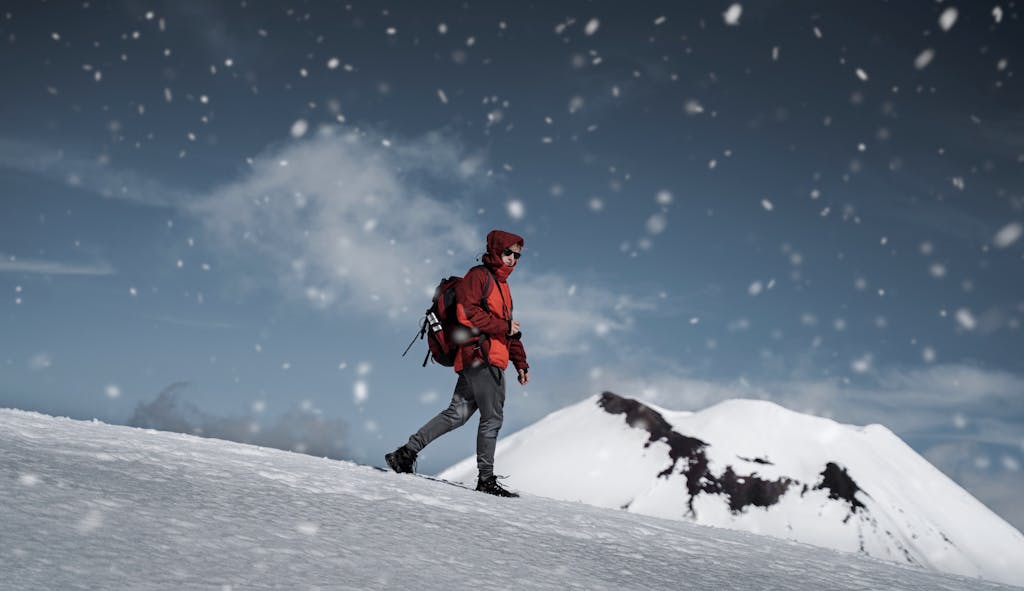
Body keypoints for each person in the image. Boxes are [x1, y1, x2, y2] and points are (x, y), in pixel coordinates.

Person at [386, 230, 530, 497]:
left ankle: (405, 453)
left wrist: (520, 362)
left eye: (517, 255)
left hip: (486, 358)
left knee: (456, 415)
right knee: (492, 418)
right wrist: (503, 326)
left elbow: (510, 331)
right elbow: (466, 313)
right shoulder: (479, 276)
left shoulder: (504, 288)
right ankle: (486, 479)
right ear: (495, 250)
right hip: (482, 358)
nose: (512, 259)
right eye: (508, 253)